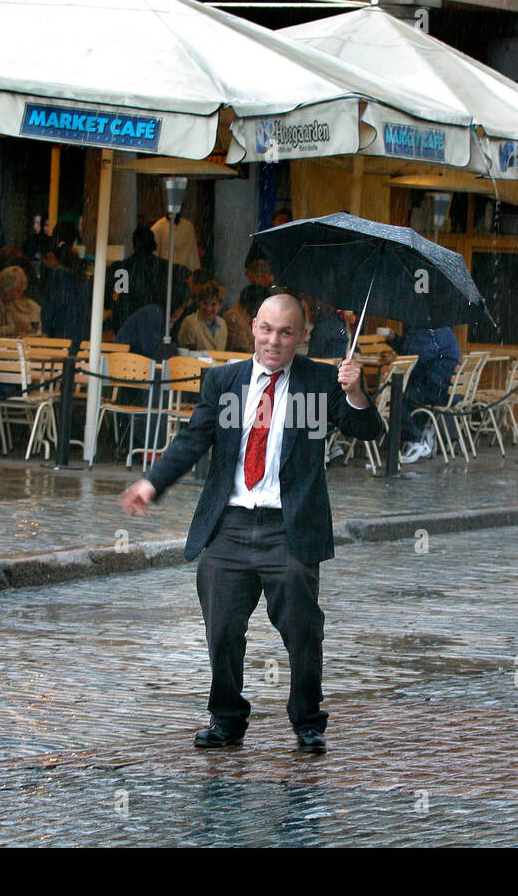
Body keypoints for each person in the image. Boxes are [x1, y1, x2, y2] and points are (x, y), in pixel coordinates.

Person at [119, 293, 382, 754]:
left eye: (285, 332)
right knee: (221, 629)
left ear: (301, 337)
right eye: (266, 329)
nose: (273, 341)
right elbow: (193, 439)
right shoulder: (223, 380)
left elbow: (368, 431)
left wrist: (355, 391)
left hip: (290, 528)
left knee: (303, 632)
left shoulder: (322, 382)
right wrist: (151, 484)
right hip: (230, 525)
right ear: (253, 328)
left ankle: (307, 720)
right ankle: (226, 718)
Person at [106, 225, 188, 333]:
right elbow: (181, 293)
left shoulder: (123, 268)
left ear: (134, 245)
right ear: (153, 245)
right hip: (156, 324)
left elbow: (118, 298)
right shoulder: (165, 268)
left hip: (126, 324)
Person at [398, 326, 462, 463]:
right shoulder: (444, 331)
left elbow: (414, 358)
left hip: (436, 391)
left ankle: (416, 439)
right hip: (449, 392)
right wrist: (395, 339)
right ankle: (425, 428)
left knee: (396, 399)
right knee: (408, 394)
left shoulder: (428, 333)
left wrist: (399, 345)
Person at [39, 242, 91, 342]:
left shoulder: (57, 278)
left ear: (51, 257)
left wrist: (47, 331)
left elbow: (49, 312)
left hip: (61, 335)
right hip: (83, 336)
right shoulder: (80, 279)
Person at [176, 285, 227, 351]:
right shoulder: (190, 322)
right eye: (205, 303)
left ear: (220, 305)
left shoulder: (223, 324)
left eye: (213, 304)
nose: (208, 308)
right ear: (199, 303)